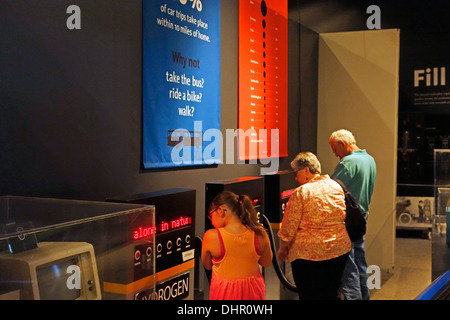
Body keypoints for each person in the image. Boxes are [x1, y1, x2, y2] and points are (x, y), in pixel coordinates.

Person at [277, 152, 351, 300]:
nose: (295, 178)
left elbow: (288, 227)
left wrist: (283, 247)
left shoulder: (301, 193)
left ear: (306, 170)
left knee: (309, 295)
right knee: (331, 294)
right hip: (338, 251)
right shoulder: (336, 186)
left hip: (308, 256)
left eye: (296, 173)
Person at [329, 129, 376, 300]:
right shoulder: (369, 160)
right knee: (360, 263)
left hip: (347, 221)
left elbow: (331, 189)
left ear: (342, 144)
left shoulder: (348, 163)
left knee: (348, 269)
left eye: (335, 149)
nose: (335, 154)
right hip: (362, 217)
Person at [201, 191, 272, 300]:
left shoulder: (211, 236)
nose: (211, 221)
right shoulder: (259, 233)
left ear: (220, 211)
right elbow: (266, 263)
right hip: (254, 292)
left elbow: (207, 265)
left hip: (224, 294)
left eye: (211, 215)